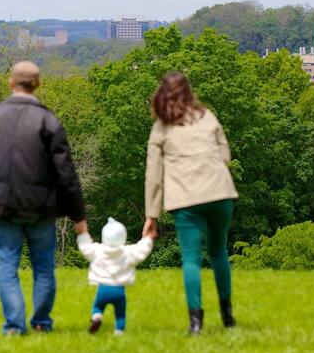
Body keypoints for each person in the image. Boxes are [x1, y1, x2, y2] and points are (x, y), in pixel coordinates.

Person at [0, 61, 88, 335]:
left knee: (7, 263)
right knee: (44, 267)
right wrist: (78, 216)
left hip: (1, 202)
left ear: (11, 82)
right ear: (38, 84)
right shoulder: (48, 120)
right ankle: (40, 322)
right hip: (41, 205)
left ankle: (14, 325)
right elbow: (66, 173)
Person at [143, 71, 239, 334]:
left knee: (191, 260)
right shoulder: (206, 116)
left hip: (185, 199)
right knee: (219, 252)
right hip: (220, 193)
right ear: (189, 91)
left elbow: (154, 175)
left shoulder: (161, 127)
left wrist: (151, 215)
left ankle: (196, 323)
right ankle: (228, 317)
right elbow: (225, 154)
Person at [77, 217, 154, 336]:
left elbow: (85, 247)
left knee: (97, 307)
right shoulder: (128, 252)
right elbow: (142, 250)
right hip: (119, 291)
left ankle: (97, 318)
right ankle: (118, 333)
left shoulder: (98, 250)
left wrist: (82, 233)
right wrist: (149, 238)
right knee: (120, 314)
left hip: (103, 290)